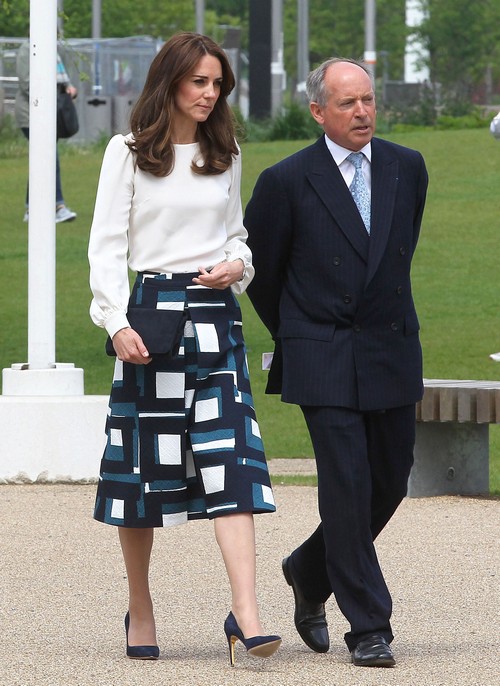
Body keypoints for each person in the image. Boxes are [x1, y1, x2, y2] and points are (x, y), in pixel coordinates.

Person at [87, 32, 281, 666]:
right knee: (140, 473)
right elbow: (106, 246)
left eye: (217, 83)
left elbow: (237, 236)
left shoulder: (226, 151)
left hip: (216, 323)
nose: (210, 93)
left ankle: (246, 612)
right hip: (152, 318)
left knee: (235, 463)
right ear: (169, 82)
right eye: (199, 81)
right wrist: (115, 322)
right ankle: (140, 610)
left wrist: (237, 265)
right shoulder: (128, 152)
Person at [244, 57, 428, 668]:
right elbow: (261, 276)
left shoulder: (407, 167)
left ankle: (306, 569)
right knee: (346, 488)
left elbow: (394, 257)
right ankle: (370, 625)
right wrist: (302, 334)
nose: (362, 112)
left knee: (389, 479)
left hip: (391, 349)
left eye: (368, 100)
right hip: (322, 353)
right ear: (318, 111)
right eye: (347, 103)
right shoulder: (285, 180)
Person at [15, 40, 78, 223]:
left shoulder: (53, 49)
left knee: (44, 160)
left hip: (51, 115)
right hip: (31, 115)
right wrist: (51, 94)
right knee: (49, 158)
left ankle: (32, 208)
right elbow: (27, 83)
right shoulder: (28, 49)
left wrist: (68, 89)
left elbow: (61, 78)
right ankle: (57, 206)